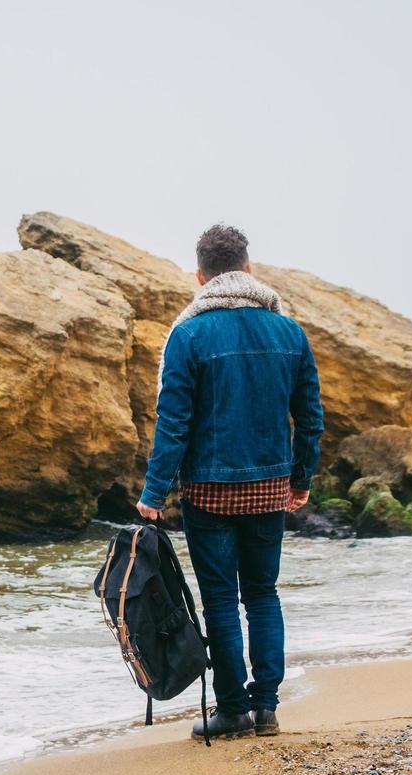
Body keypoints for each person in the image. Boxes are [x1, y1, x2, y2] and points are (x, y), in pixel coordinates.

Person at [136, 224, 323, 740]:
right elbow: (310, 417)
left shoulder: (188, 334)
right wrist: (301, 478)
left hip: (209, 491)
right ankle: (266, 709)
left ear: (200, 276)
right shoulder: (289, 332)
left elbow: (173, 421)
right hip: (269, 486)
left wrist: (154, 493)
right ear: (249, 269)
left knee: (220, 599)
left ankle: (232, 711)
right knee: (262, 594)